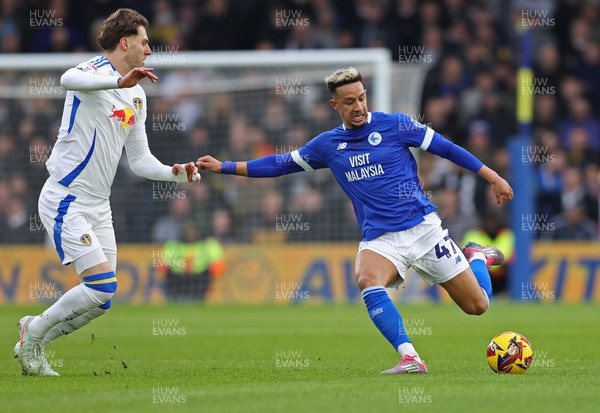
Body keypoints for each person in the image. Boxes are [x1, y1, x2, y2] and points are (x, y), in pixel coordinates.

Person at [198, 67, 514, 374]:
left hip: (423, 229)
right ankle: (410, 357)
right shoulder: (327, 145)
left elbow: (446, 148)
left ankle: (476, 256)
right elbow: (280, 164)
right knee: (366, 277)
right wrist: (224, 166)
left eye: (362, 98)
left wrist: (492, 176)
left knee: (478, 306)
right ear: (335, 105)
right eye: (349, 102)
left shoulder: (397, 126)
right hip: (381, 238)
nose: (359, 106)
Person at [16, 8, 201, 376]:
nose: (149, 51)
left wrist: (175, 174)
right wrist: (117, 83)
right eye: (145, 42)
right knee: (101, 285)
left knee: (102, 301)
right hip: (65, 197)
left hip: (100, 207)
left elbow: (140, 160)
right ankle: (32, 333)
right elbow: (67, 78)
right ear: (125, 42)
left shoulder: (138, 97)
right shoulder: (92, 73)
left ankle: (35, 339)